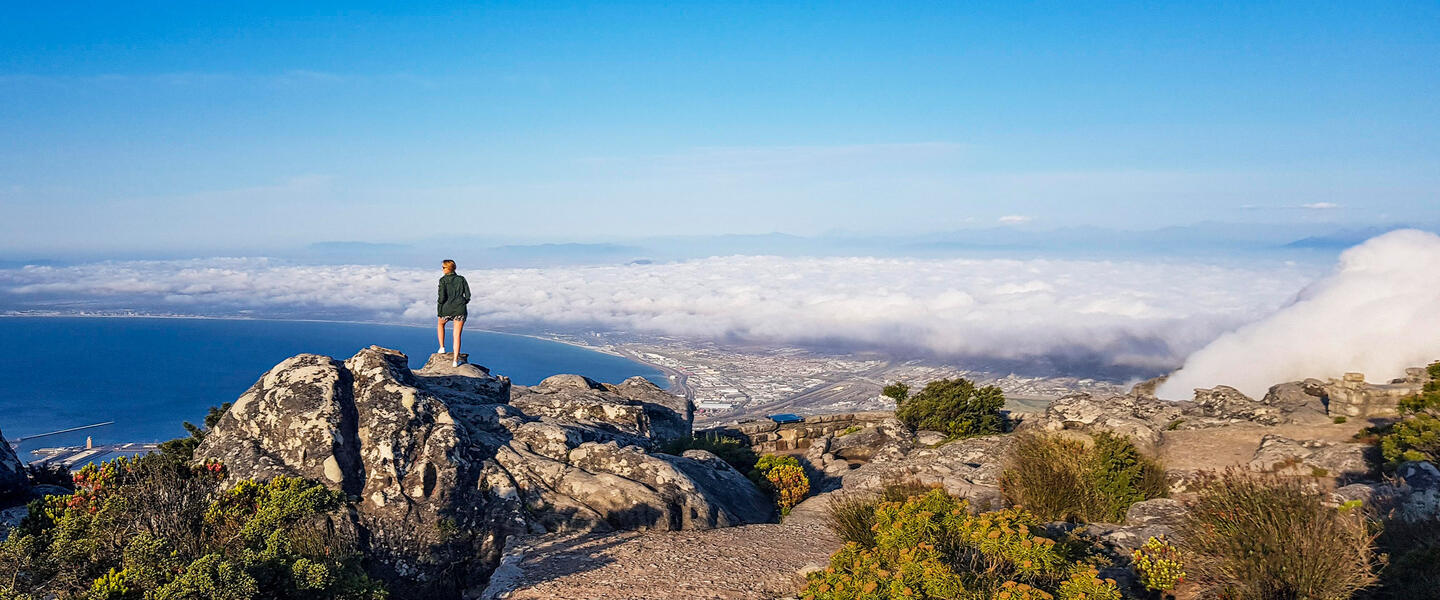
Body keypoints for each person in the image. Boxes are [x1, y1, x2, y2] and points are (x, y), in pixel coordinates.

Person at [436, 259, 471, 367]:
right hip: (460, 309)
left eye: (443, 267)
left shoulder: (443, 280)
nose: (442, 269)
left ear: (448, 268)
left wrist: (440, 308)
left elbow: (441, 298)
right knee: (457, 335)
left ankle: (442, 347)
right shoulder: (461, 279)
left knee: (441, 324)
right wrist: (462, 302)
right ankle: (455, 360)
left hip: (447, 308)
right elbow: (468, 295)